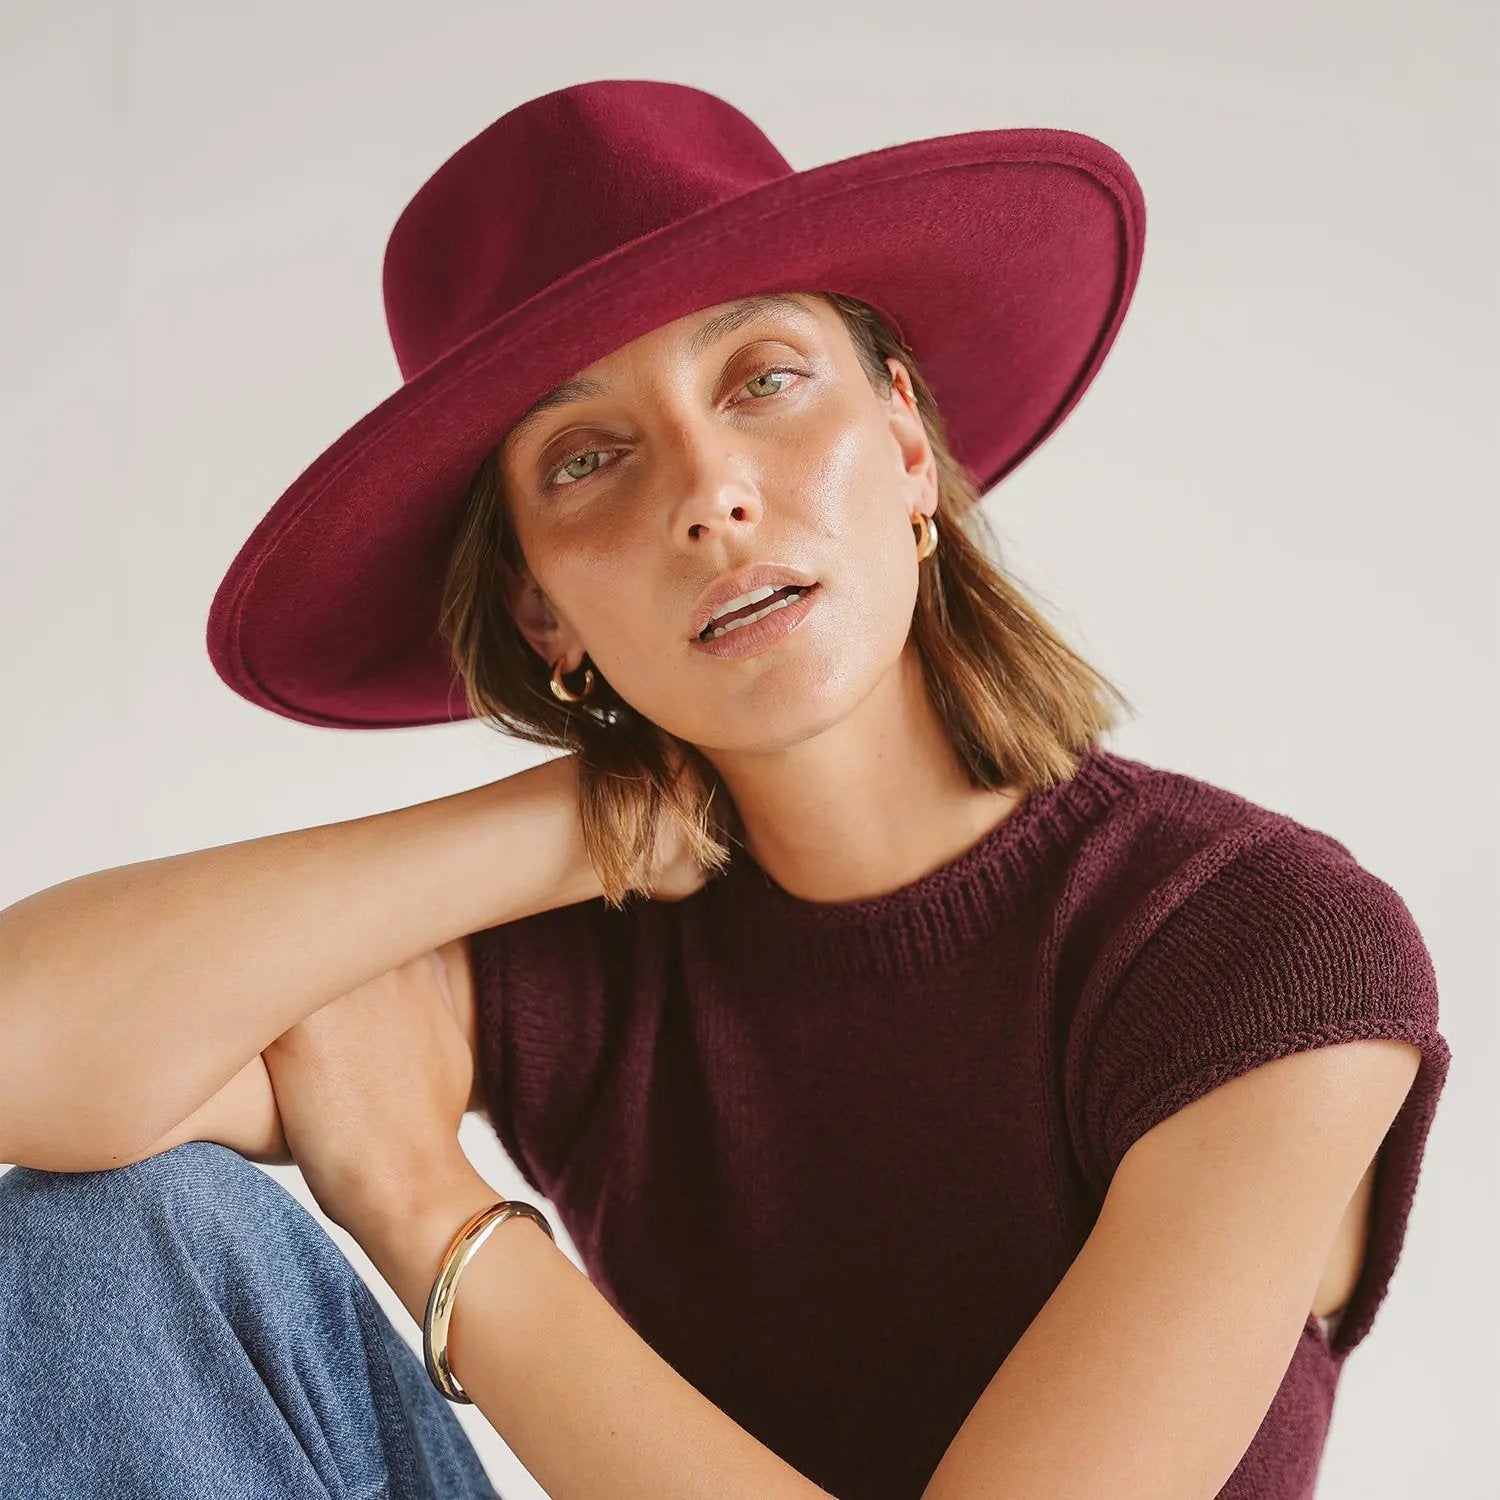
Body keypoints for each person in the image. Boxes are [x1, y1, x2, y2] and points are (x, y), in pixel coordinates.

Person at [0, 79, 1449, 1500]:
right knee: (100, 1239)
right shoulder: (576, 955)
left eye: (762, 380)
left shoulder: (1260, 946)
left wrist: (426, 1208)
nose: (709, 494)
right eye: (588, 461)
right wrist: (565, 824)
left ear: (905, 445)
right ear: (544, 614)